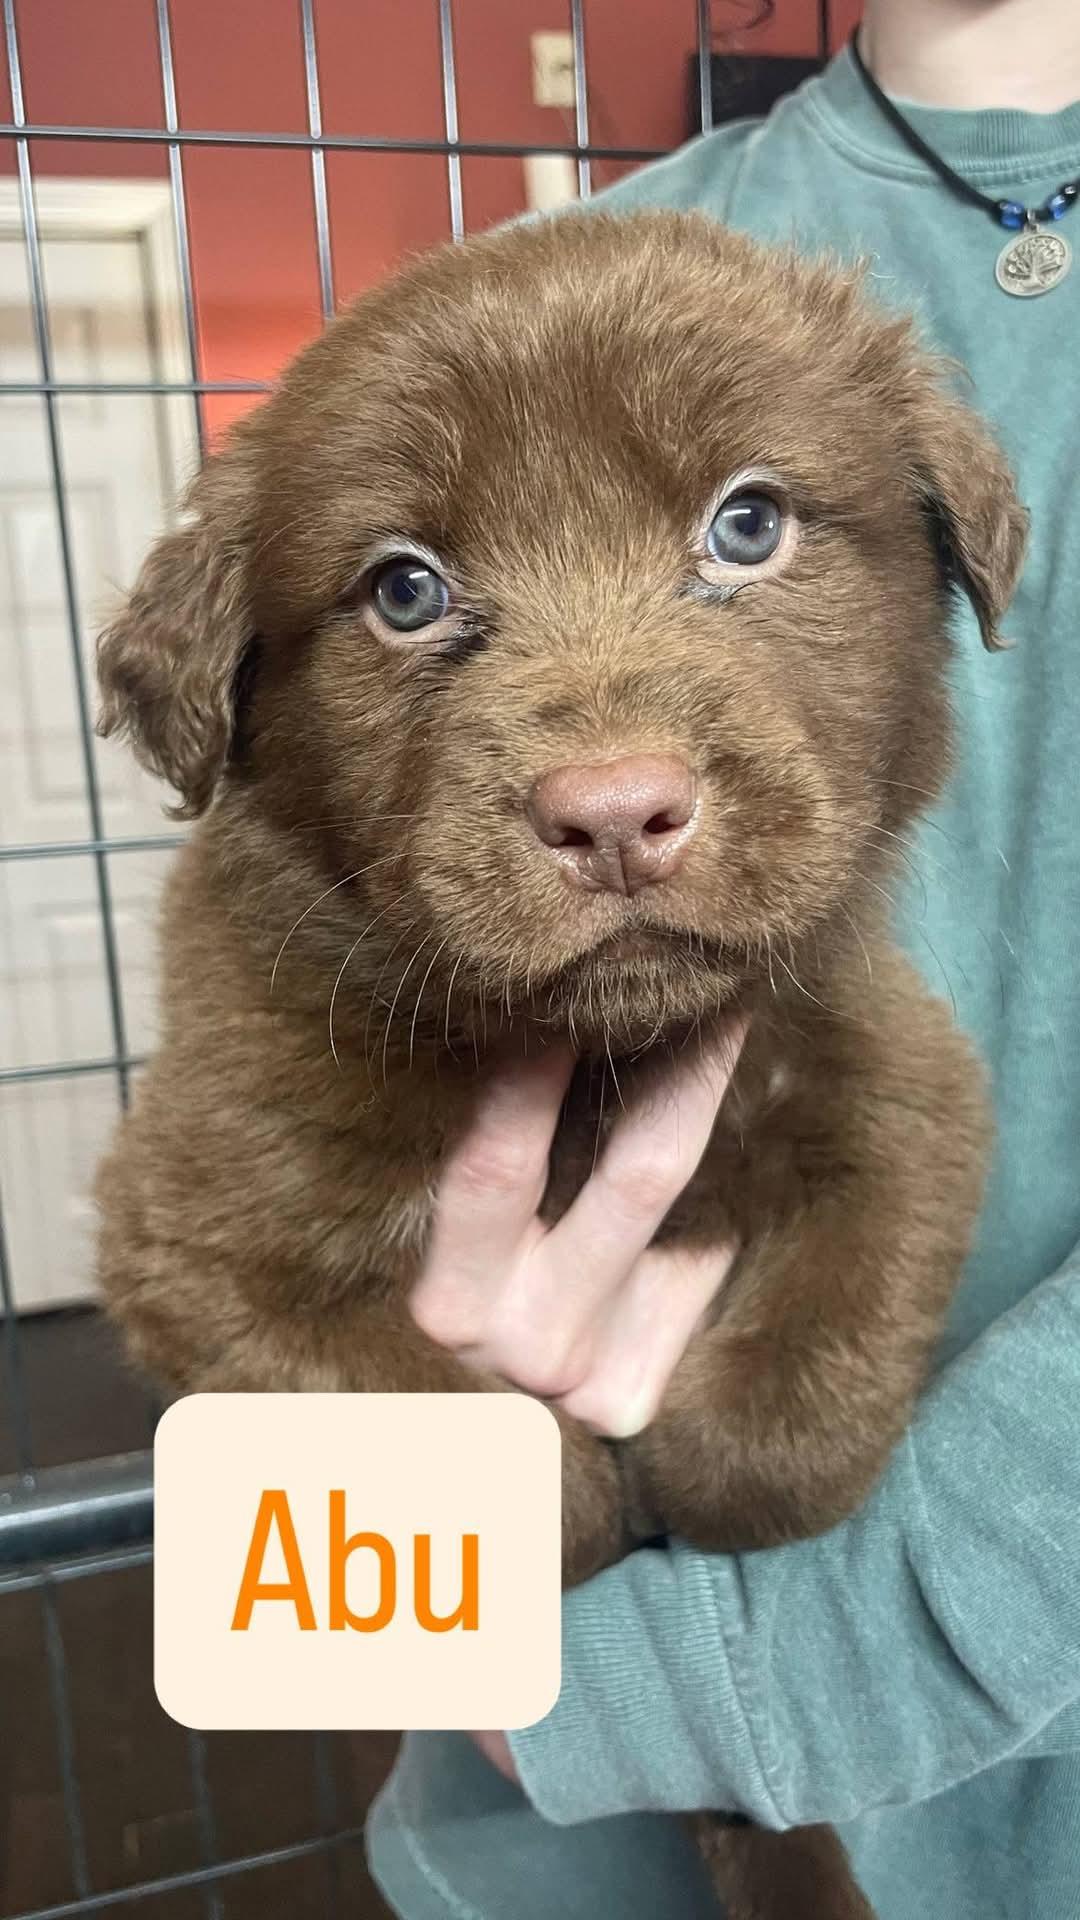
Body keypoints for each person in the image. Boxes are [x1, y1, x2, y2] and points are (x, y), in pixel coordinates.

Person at [366, 2, 1080, 1913]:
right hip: (567, 1813)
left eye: (746, 526)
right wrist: (381, 1466)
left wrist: (684, 1686)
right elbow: (269, 1049)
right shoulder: (512, 309)